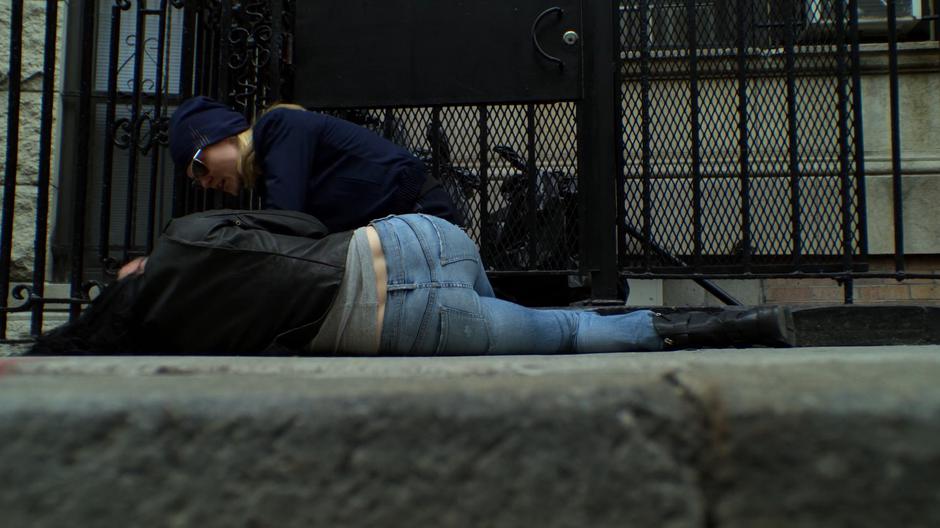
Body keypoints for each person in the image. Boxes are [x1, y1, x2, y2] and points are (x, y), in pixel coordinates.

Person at [30, 210, 795, 356]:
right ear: (132, 277)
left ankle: (735, 328)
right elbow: (298, 226)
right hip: (415, 239)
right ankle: (741, 325)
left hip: (400, 329)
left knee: (562, 335)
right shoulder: (185, 235)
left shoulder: (176, 341)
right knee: (539, 317)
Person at [168, 97, 460, 232]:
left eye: (198, 167)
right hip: (403, 229)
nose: (204, 182)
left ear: (223, 135)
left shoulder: (279, 126)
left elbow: (286, 225)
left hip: (423, 219)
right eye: (196, 180)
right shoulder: (270, 168)